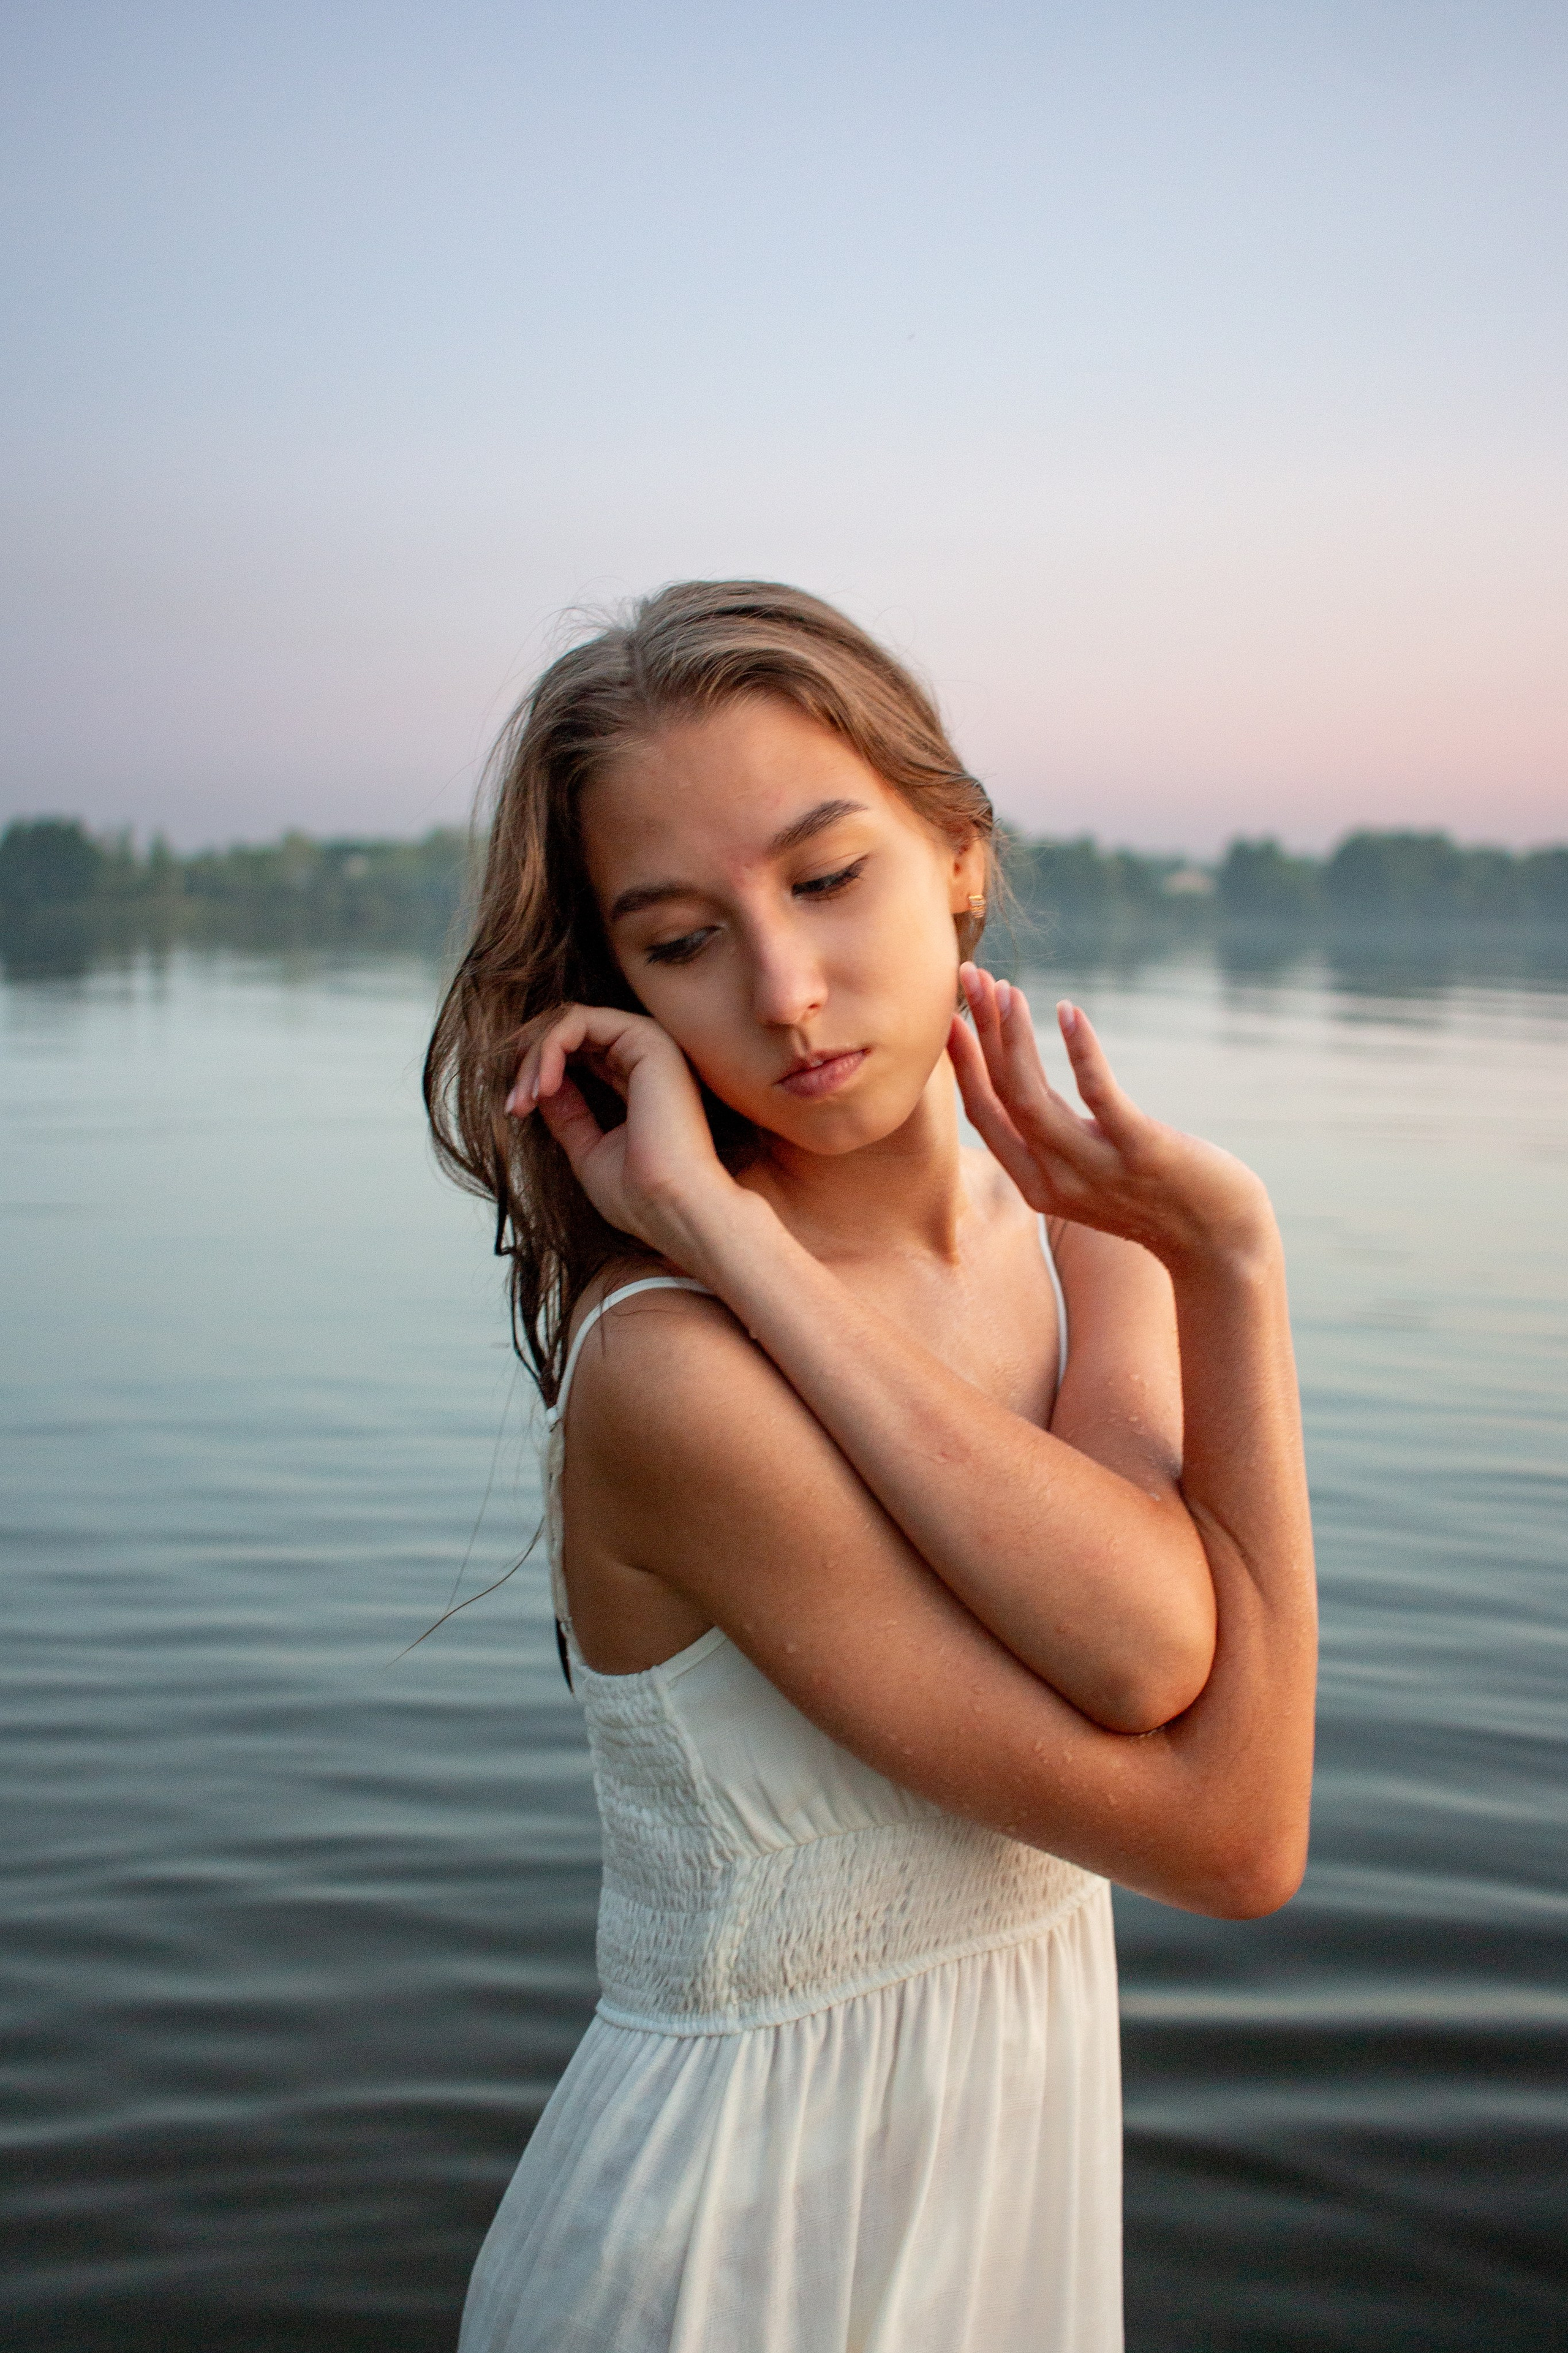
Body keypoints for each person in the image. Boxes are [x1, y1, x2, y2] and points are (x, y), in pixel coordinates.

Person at [424, 580, 1316, 2353]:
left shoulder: (1082, 1237)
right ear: (618, 985)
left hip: (1004, 2218)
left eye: (828, 878)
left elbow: (1144, 1645)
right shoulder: (671, 1370)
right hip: (724, 2260)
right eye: (684, 941)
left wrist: (1230, 1259)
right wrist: (724, 1241)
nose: (786, 991)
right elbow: (1230, 1832)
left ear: (959, 854)